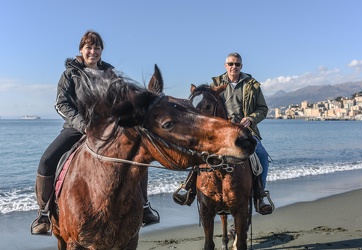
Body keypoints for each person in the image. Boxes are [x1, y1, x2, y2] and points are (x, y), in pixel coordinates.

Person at [31, 30, 159, 235]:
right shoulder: (70, 74)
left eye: (97, 47)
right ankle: (44, 214)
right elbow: (61, 104)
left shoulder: (111, 74)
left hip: (109, 129)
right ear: (81, 50)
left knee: (138, 157)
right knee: (47, 161)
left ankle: (144, 206)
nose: (93, 51)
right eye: (89, 47)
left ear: (101, 50)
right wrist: (83, 125)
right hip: (78, 128)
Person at [173, 52, 273, 215]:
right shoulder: (216, 84)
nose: (234, 67)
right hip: (220, 131)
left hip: (245, 130)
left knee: (261, 156)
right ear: (225, 65)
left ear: (241, 66)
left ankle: (259, 196)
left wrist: (251, 118)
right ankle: (189, 188)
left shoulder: (252, 85)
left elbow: (263, 109)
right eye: (231, 64)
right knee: (198, 153)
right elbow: (205, 105)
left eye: (237, 64)